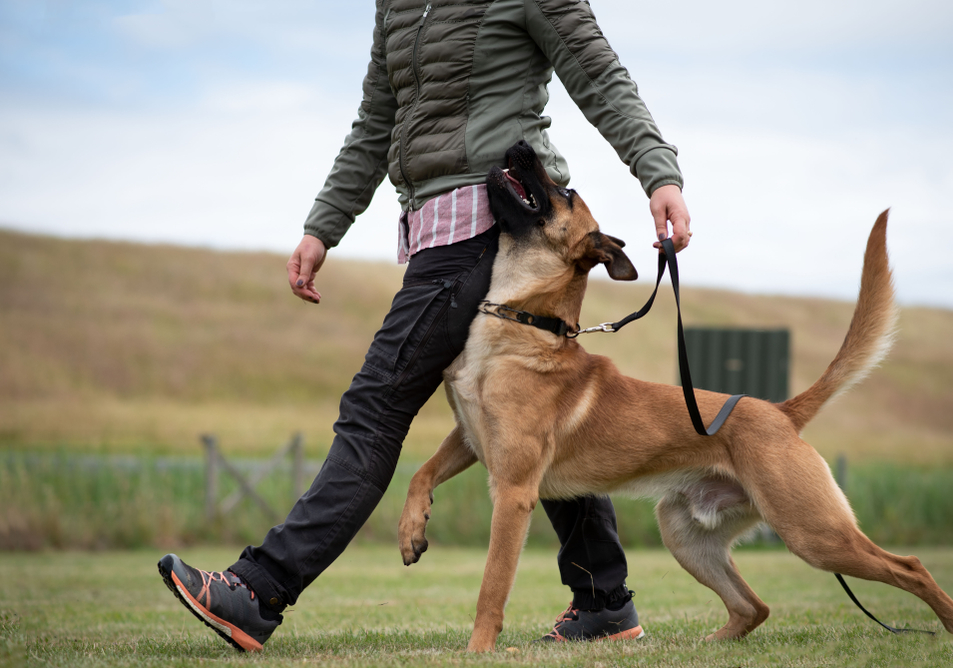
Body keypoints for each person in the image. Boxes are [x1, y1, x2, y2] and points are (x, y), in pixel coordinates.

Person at [158, 0, 692, 652]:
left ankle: (259, 589)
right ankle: (604, 603)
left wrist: (658, 172)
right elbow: (377, 122)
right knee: (536, 427)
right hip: (429, 232)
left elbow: (599, 74)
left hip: (499, 230)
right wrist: (324, 225)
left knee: (376, 407)